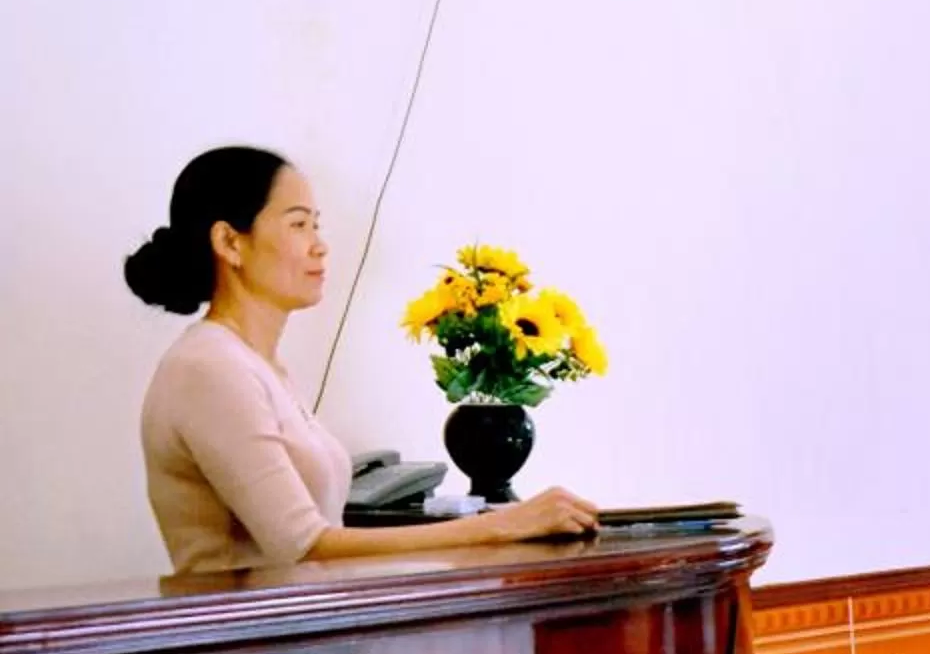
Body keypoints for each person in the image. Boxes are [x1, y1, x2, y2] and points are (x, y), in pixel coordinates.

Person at [126, 146, 599, 575]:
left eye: (317, 224)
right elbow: (304, 544)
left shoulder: (260, 367)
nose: (319, 244)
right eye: (297, 224)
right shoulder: (208, 367)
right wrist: (504, 525)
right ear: (230, 242)